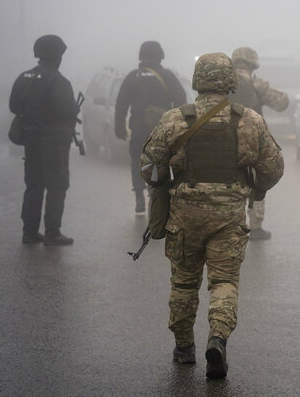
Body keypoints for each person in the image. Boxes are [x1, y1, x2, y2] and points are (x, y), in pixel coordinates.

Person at [140, 52, 284, 379]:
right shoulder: (249, 120)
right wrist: (254, 188)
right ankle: (217, 338)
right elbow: (273, 169)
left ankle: (183, 348)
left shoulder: (174, 119)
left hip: (185, 215)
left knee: (184, 283)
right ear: (230, 80)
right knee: (224, 282)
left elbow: (147, 166)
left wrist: (166, 186)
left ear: (197, 79)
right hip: (230, 215)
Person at [9, 35, 79, 245]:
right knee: (57, 185)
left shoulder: (24, 77)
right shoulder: (58, 80)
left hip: (31, 140)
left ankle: (29, 233)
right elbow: (67, 110)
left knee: (34, 185)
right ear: (56, 56)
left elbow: (13, 107)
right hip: (54, 142)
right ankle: (52, 233)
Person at [115, 41, 187, 215]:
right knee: (158, 163)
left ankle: (139, 198)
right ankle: (154, 194)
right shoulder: (168, 76)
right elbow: (181, 100)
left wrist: (120, 127)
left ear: (141, 56)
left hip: (138, 129)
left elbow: (121, 104)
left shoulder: (132, 77)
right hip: (160, 130)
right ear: (160, 55)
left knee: (137, 163)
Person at [228, 46, 289, 240]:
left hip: (224, 138)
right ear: (253, 63)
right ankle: (255, 227)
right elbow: (282, 104)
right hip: (252, 140)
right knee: (257, 182)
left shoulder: (222, 83)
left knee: (225, 181)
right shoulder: (257, 85)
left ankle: (228, 224)